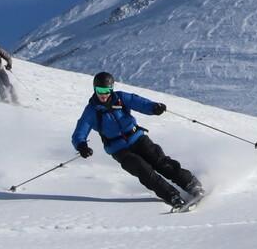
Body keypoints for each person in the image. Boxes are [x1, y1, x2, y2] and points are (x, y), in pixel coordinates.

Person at [72, 72, 204, 211]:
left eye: (106, 90)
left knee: (160, 162)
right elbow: (79, 132)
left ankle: (191, 184)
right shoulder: (91, 111)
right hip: (118, 149)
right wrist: (81, 145)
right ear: (94, 89)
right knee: (143, 170)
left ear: (111, 89)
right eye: (100, 91)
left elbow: (139, 102)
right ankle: (172, 197)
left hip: (137, 138)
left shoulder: (120, 98)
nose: (103, 94)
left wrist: (154, 107)